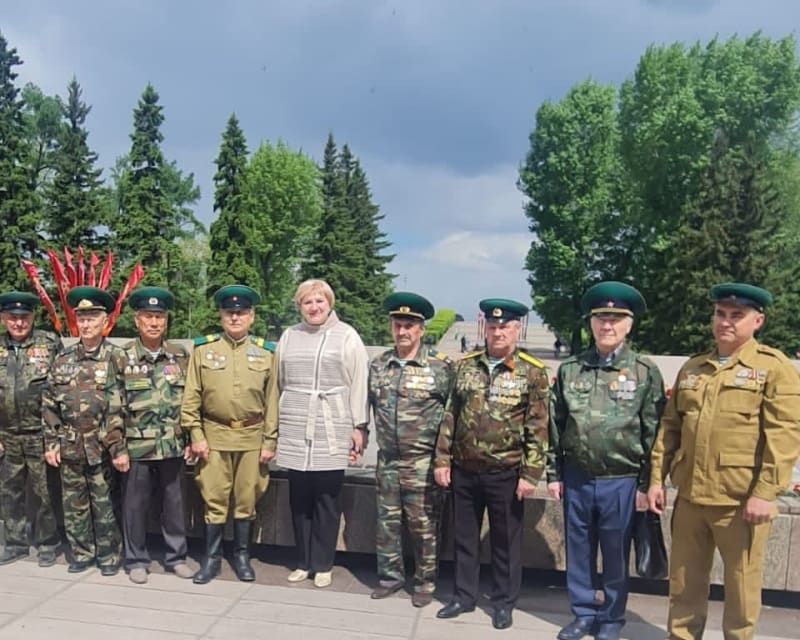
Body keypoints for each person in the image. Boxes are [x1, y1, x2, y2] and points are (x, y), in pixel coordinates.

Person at [648, 283, 800, 640]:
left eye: (737, 315)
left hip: (740, 501)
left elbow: (784, 435)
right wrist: (656, 479)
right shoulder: (694, 367)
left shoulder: (773, 368)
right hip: (690, 497)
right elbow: (670, 428)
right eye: (720, 314)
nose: (726, 322)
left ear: (757, 321)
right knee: (684, 584)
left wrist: (764, 493)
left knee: (741, 588)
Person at [548, 282, 665, 640]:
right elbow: (555, 424)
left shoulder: (644, 371)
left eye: (616, 319)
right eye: (600, 318)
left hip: (621, 480)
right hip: (578, 477)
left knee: (616, 553)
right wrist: (554, 474)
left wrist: (648, 484)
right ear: (591, 323)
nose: (607, 325)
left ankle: (612, 618)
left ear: (629, 325)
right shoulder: (571, 369)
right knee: (578, 550)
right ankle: (583, 613)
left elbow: (654, 432)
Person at [434, 298, 549, 630]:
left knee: (505, 542)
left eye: (505, 327)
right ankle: (463, 596)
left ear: (517, 329)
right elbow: (450, 415)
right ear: (485, 327)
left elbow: (538, 426)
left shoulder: (532, 371)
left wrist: (531, 473)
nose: (498, 333)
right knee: (464, 538)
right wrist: (442, 459)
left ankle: (503, 602)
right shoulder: (466, 366)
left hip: (505, 472)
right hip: (465, 469)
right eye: (493, 326)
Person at [273, 279, 369, 589]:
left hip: (332, 423)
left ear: (329, 303)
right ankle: (303, 561)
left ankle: (323, 563)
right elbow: (278, 380)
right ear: (299, 306)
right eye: (307, 302)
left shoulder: (347, 335)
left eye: (319, 301)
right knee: (299, 498)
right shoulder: (289, 336)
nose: (314, 307)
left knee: (327, 498)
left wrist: (359, 426)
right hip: (295, 422)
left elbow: (359, 381)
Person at [181, 284, 278, 584]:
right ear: (221, 316)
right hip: (213, 436)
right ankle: (212, 560)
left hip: (252, 437)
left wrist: (270, 440)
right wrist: (195, 434)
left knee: (247, 498)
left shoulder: (266, 353)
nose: (235, 317)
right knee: (214, 498)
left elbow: (272, 400)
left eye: (242, 312)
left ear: (252, 316)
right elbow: (191, 396)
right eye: (229, 312)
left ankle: (242, 557)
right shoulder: (203, 350)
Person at [368, 292, 454, 607]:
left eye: (409, 326)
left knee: (424, 526)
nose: (402, 331)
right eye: (397, 325)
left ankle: (425, 583)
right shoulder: (380, 364)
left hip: (422, 463)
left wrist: (444, 459)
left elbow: (451, 415)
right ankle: (390, 578)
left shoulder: (440, 367)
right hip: (388, 460)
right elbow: (368, 405)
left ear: (421, 329)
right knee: (387, 525)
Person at [42, 286, 127, 575]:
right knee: (74, 504)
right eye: (82, 318)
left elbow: (125, 404)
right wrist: (52, 442)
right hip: (69, 444)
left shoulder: (116, 357)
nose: (87, 324)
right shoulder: (63, 359)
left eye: (92, 318)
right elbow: (49, 403)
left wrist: (118, 446)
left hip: (103, 444)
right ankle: (81, 553)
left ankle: (109, 556)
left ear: (105, 321)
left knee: (105, 503)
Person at [118, 287, 194, 584]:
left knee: (174, 505)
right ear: (137, 320)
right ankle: (136, 559)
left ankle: (176, 557)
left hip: (172, 444)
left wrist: (190, 438)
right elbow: (113, 404)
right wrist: (117, 447)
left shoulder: (180, 355)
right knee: (135, 507)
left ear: (166, 320)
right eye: (148, 316)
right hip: (136, 446)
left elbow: (191, 400)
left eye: (159, 317)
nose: (154, 322)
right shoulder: (122, 356)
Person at [0, 291, 61, 566]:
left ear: (32, 317)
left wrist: (55, 435)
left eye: (24, 317)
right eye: (12, 317)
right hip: (7, 434)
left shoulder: (49, 343)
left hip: (40, 432)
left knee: (45, 491)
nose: (19, 323)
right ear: (3, 318)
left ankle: (48, 543)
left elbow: (60, 388)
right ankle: (15, 543)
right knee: (9, 491)